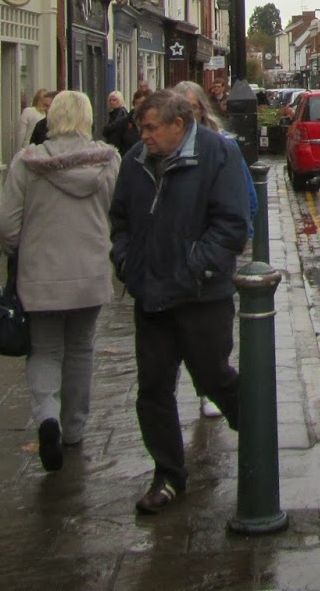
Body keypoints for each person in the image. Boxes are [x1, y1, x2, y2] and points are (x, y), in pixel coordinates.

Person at [110, 90, 248, 513]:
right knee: (153, 389)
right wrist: (127, 263)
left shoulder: (216, 156)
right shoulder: (135, 161)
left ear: (179, 125)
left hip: (201, 294)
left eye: (151, 127)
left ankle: (256, 430)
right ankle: (168, 474)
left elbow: (231, 225)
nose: (143, 135)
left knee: (212, 376)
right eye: (141, 126)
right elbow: (120, 220)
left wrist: (193, 268)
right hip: (151, 295)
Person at [0, 91, 119, 472]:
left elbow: (5, 224)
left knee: (45, 350)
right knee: (81, 349)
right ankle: (73, 431)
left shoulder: (26, 162)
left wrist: (24, 251)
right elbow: (117, 211)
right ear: (86, 118)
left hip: (41, 275)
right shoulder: (108, 161)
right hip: (90, 271)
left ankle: (47, 417)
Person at [172, 80, 258, 422]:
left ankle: (214, 389)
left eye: (191, 109)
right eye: (178, 110)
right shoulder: (160, 149)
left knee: (212, 331)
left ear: (201, 110)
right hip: (172, 258)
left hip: (213, 257)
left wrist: (228, 244)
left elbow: (247, 200)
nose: (185, 117)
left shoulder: (223, 148)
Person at [102, 90, 141, 155]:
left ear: (120, 100)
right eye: (110, 100)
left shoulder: (121, 113)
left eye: (114, 100)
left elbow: (114, 127)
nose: (112, 102)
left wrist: (106, 129)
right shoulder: (113, 114)